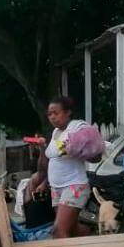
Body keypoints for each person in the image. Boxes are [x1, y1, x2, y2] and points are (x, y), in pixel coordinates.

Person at [29, 96, 91, 239]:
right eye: (49, 114)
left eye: (56, 113)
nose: (52, 117)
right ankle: (92, 236)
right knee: (72, 229)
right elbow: (50, 162)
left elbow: (85, 150)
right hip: (57, 188)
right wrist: (42, 147)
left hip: (74, 186)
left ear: (68, 112)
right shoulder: (56, 133)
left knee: (59, 230)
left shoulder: (76, 128)